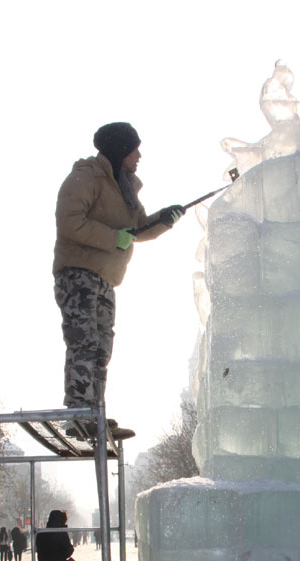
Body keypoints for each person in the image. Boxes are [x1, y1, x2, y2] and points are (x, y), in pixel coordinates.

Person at [53, 121, 186, 415]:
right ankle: (78, 411)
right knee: (84, 343)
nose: (138, 157)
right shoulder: (86, 177)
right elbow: (70, 222)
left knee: (101, 350)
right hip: (77, 274)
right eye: (134, 150)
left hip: (106, 280)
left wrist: (164, 219)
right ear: (119, 149)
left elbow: (138, 229)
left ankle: (95, 413)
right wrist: (115, 238)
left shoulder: (125, 187)